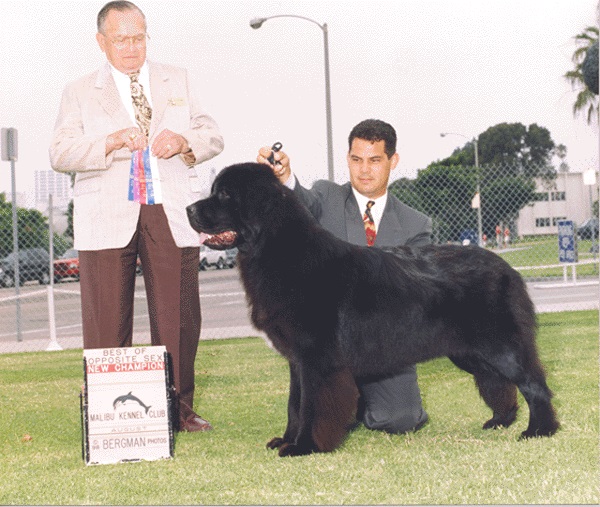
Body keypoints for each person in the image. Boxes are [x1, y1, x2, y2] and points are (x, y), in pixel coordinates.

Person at [49, 1, 224, 432]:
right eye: (122, 39)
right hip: (107, 213)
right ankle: (111, 413)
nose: (132, 47)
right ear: (101, 42)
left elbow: (212, 135)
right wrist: (109, 141)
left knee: (179, 314)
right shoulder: (78, 90)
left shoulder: (177, 79)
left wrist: (184, 141)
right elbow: (60, 152)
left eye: (139, 38)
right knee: (106, 318)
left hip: (170, 207)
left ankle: (179, 409)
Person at [257, 119, 431, 434]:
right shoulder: (324, 198)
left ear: (393, 161)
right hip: (329, 351)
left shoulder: (416, 225)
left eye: (375, 160)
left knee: (400, 419)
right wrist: (283, 177)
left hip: (385, 350)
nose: (364, 170)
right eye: (356, 159)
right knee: (323, 420)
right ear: (348, 158)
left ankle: (365, 403)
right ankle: (342, 399)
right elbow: (299, 203)